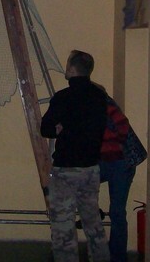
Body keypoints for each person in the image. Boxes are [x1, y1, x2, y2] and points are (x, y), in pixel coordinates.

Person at [41, 50, 110, 262]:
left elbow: (45, 129)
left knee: (63, 226)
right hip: (91, 168)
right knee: (93, 223)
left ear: (71, 68)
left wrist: (59, 128)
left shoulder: (63, 97)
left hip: (66, 169)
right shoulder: (100, 96)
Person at [100, 96, 146, 262]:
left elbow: (122, 126)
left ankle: (117, 256)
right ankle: (116, 254)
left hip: (121, 161)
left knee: (117, 211)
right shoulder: (100, 104)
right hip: (116, 161)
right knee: (117, 211)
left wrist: (111, 146)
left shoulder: (103, 105)